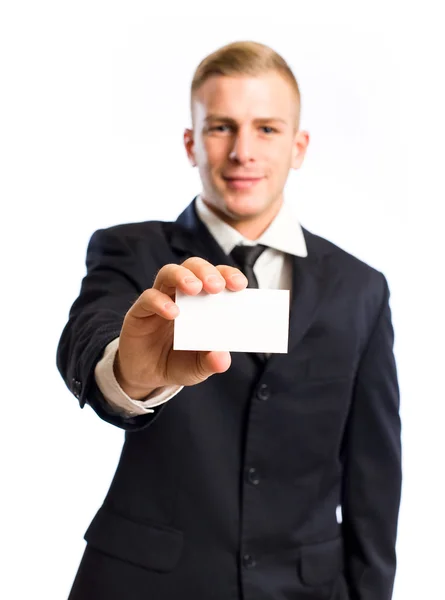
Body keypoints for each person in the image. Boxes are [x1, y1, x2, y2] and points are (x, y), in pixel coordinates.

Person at [57, 40, 402, 600]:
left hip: (308, 589)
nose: (244, 151)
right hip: (145, 585)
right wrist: (130, 374)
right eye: (221, 127)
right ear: (191, 143)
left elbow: (374, 476)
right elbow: (87, 335)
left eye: (267, 128)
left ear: (299, 145)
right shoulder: (129, 250)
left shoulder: (360, 288)